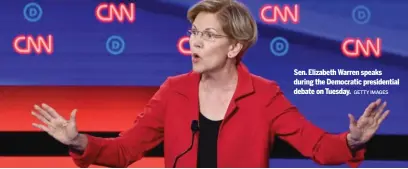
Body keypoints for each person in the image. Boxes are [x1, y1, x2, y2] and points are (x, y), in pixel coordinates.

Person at [31, 0, 390, 168]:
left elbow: (318, 147)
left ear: (234, 46)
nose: (195, 42)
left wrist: (352, 140)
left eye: (208, 35)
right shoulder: (174, 90)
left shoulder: (264, 95)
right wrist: (78, 142)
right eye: (194, 32)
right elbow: (125, 151)